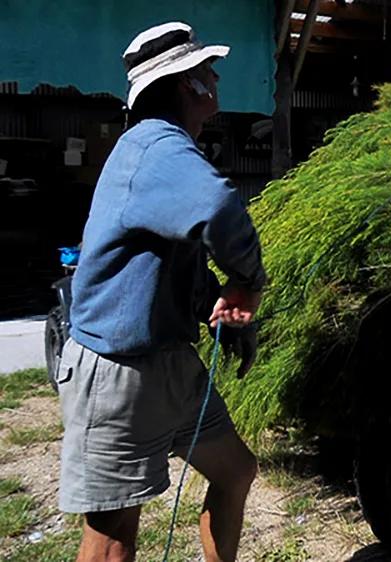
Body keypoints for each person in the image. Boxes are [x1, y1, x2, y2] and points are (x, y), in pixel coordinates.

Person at [56, 22, 266, 562]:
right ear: (185, 86)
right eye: (205, 71)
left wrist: (214, 306)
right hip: (119, 374)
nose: (215, 77)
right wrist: (246, 283)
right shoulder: (153, 147)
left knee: (236, 471)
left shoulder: (167, 151)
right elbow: (220, 210)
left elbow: (178, 255)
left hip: (170, 364)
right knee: (113, 537)